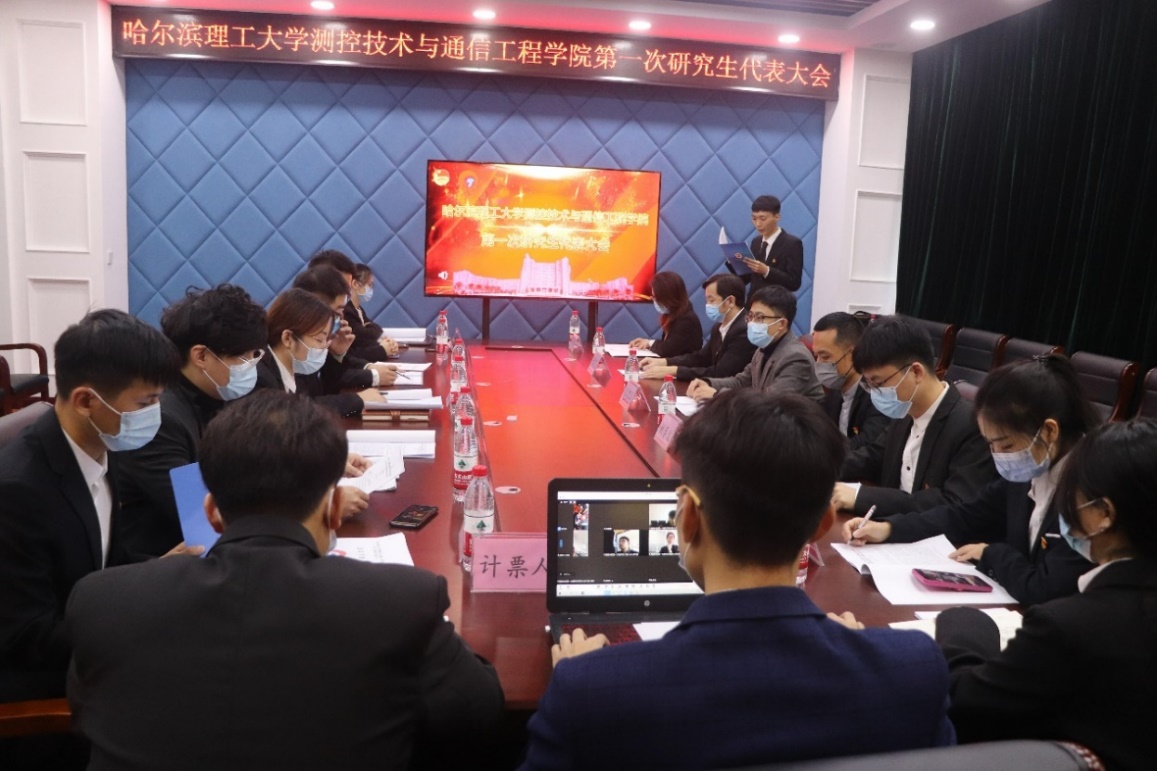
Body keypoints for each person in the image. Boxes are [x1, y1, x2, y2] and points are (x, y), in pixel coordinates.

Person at [66, 391, 505, 770]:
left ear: (212, 512)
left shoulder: (101, 602)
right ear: (335, 510)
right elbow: (478, 712)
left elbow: (87, 715)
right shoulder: (402, 602)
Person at [520, 390, 953, 771]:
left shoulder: (588, 689)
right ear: (824, 524)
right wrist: (865, 653)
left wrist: (575, 672)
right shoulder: (912, 669)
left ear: (687, 516)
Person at [933, 419, 1157, 769]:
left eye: (1071, 493)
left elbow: (968, 707)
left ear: (1104, 514)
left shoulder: (1070, 626)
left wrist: (962, 625)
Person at [0, 309, 186, 705]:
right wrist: (142, 612)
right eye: (147, 401)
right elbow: (25, 636)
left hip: (89, 638)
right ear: (86, 400)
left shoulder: (100, 446)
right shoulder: (18, 493)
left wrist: (160, 571)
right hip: (47, 684)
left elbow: (107, 559)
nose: (156, 412)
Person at [843, 355, 1096, 605]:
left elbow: (1048, 588)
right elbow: (964, 516)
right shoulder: (1029, 470)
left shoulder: (1090, 490)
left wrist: (991, 554)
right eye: (990, 445)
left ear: (1049, 431)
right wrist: (889, 528)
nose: (999, 456)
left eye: (1006, 445)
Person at [116, 285, 267, 556]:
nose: (250, 365)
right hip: (168, 557)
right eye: (242, 357)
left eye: (254, 355)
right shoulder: (162, 419)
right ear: (201, 356)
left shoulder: (215, 395)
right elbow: (203, 517)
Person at [833, 315, 996, 518]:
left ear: (916, 372)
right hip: (886, 528)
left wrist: (861, 496)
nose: (876, 393)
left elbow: (954, 502)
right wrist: (817, 467)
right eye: (869, 385)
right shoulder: (904, 412)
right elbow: (872, 457)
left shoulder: (972, 425)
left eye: (879, 383)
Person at [255, 288, 383, 417]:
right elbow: (297, 412)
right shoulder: (261, 379)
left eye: (327, 339)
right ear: (288, 338)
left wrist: (337, 355)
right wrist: (356, 400)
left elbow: (324, 392)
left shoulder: (296, 366)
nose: (325, 347)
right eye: (320, 339)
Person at [686, 285, 822, 403]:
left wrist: (717, 394)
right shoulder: (764, 348)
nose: (751, 323)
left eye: (760, 317)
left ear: (781, 324)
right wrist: (708, 383)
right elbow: (741, 381)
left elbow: (771, 401)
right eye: (750, 316)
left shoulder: (796, 357)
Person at [293, 265, 397, 389]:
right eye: (338, 310)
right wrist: (364, 390)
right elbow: (313, 396)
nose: (342, 317)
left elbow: (328, 380)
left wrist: (338, 355)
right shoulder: (299, 342)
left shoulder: (321, 336)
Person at [639, 273, 755, 381]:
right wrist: (665, 362)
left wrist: (674, 371)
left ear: (730, 301)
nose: (707, 305)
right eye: (707, 300)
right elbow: (701, 358)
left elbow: (721, 373)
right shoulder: (718, 327)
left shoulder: (744, 331)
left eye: (711, 300)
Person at [812, 311, 889, 451]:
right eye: (816, 356)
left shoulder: (879, 396)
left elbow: (868, 448)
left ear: (853, 354)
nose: (819, 364)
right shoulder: (836, 390)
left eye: (825, 356)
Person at [312, 250, 400, 361]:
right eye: (342, 286)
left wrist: (339, 354)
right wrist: (381, 350)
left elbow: (342, 362)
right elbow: (362, 340)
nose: (347, 291)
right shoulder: (308, 324)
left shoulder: (349, 311)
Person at [727, 194, 803, 304]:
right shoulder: (756, 242)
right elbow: (747, 278)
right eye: (754, 218)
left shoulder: (792, 243)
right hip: (752, 305)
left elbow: (794, 283)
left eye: (763, 219)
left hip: (775, 307)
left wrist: (767, 271)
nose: (758, 224)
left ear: (777, 217)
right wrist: (732, 261)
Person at [628, 271, 703, 358]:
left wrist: (649, 343)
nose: (654, 301)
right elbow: (669, 345)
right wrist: (647, 343)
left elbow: (668, 350)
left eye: (656, 297)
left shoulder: (687, 320)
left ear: (668, 297)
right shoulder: (674, 316)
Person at [346, 263, 400, 362]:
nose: (371, 289)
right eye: (369, 285)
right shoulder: (347, 311)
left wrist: (387, 345)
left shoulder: (359, 310)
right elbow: (364, 336)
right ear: (355, 284)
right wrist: (382, 348)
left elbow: (376, 329)